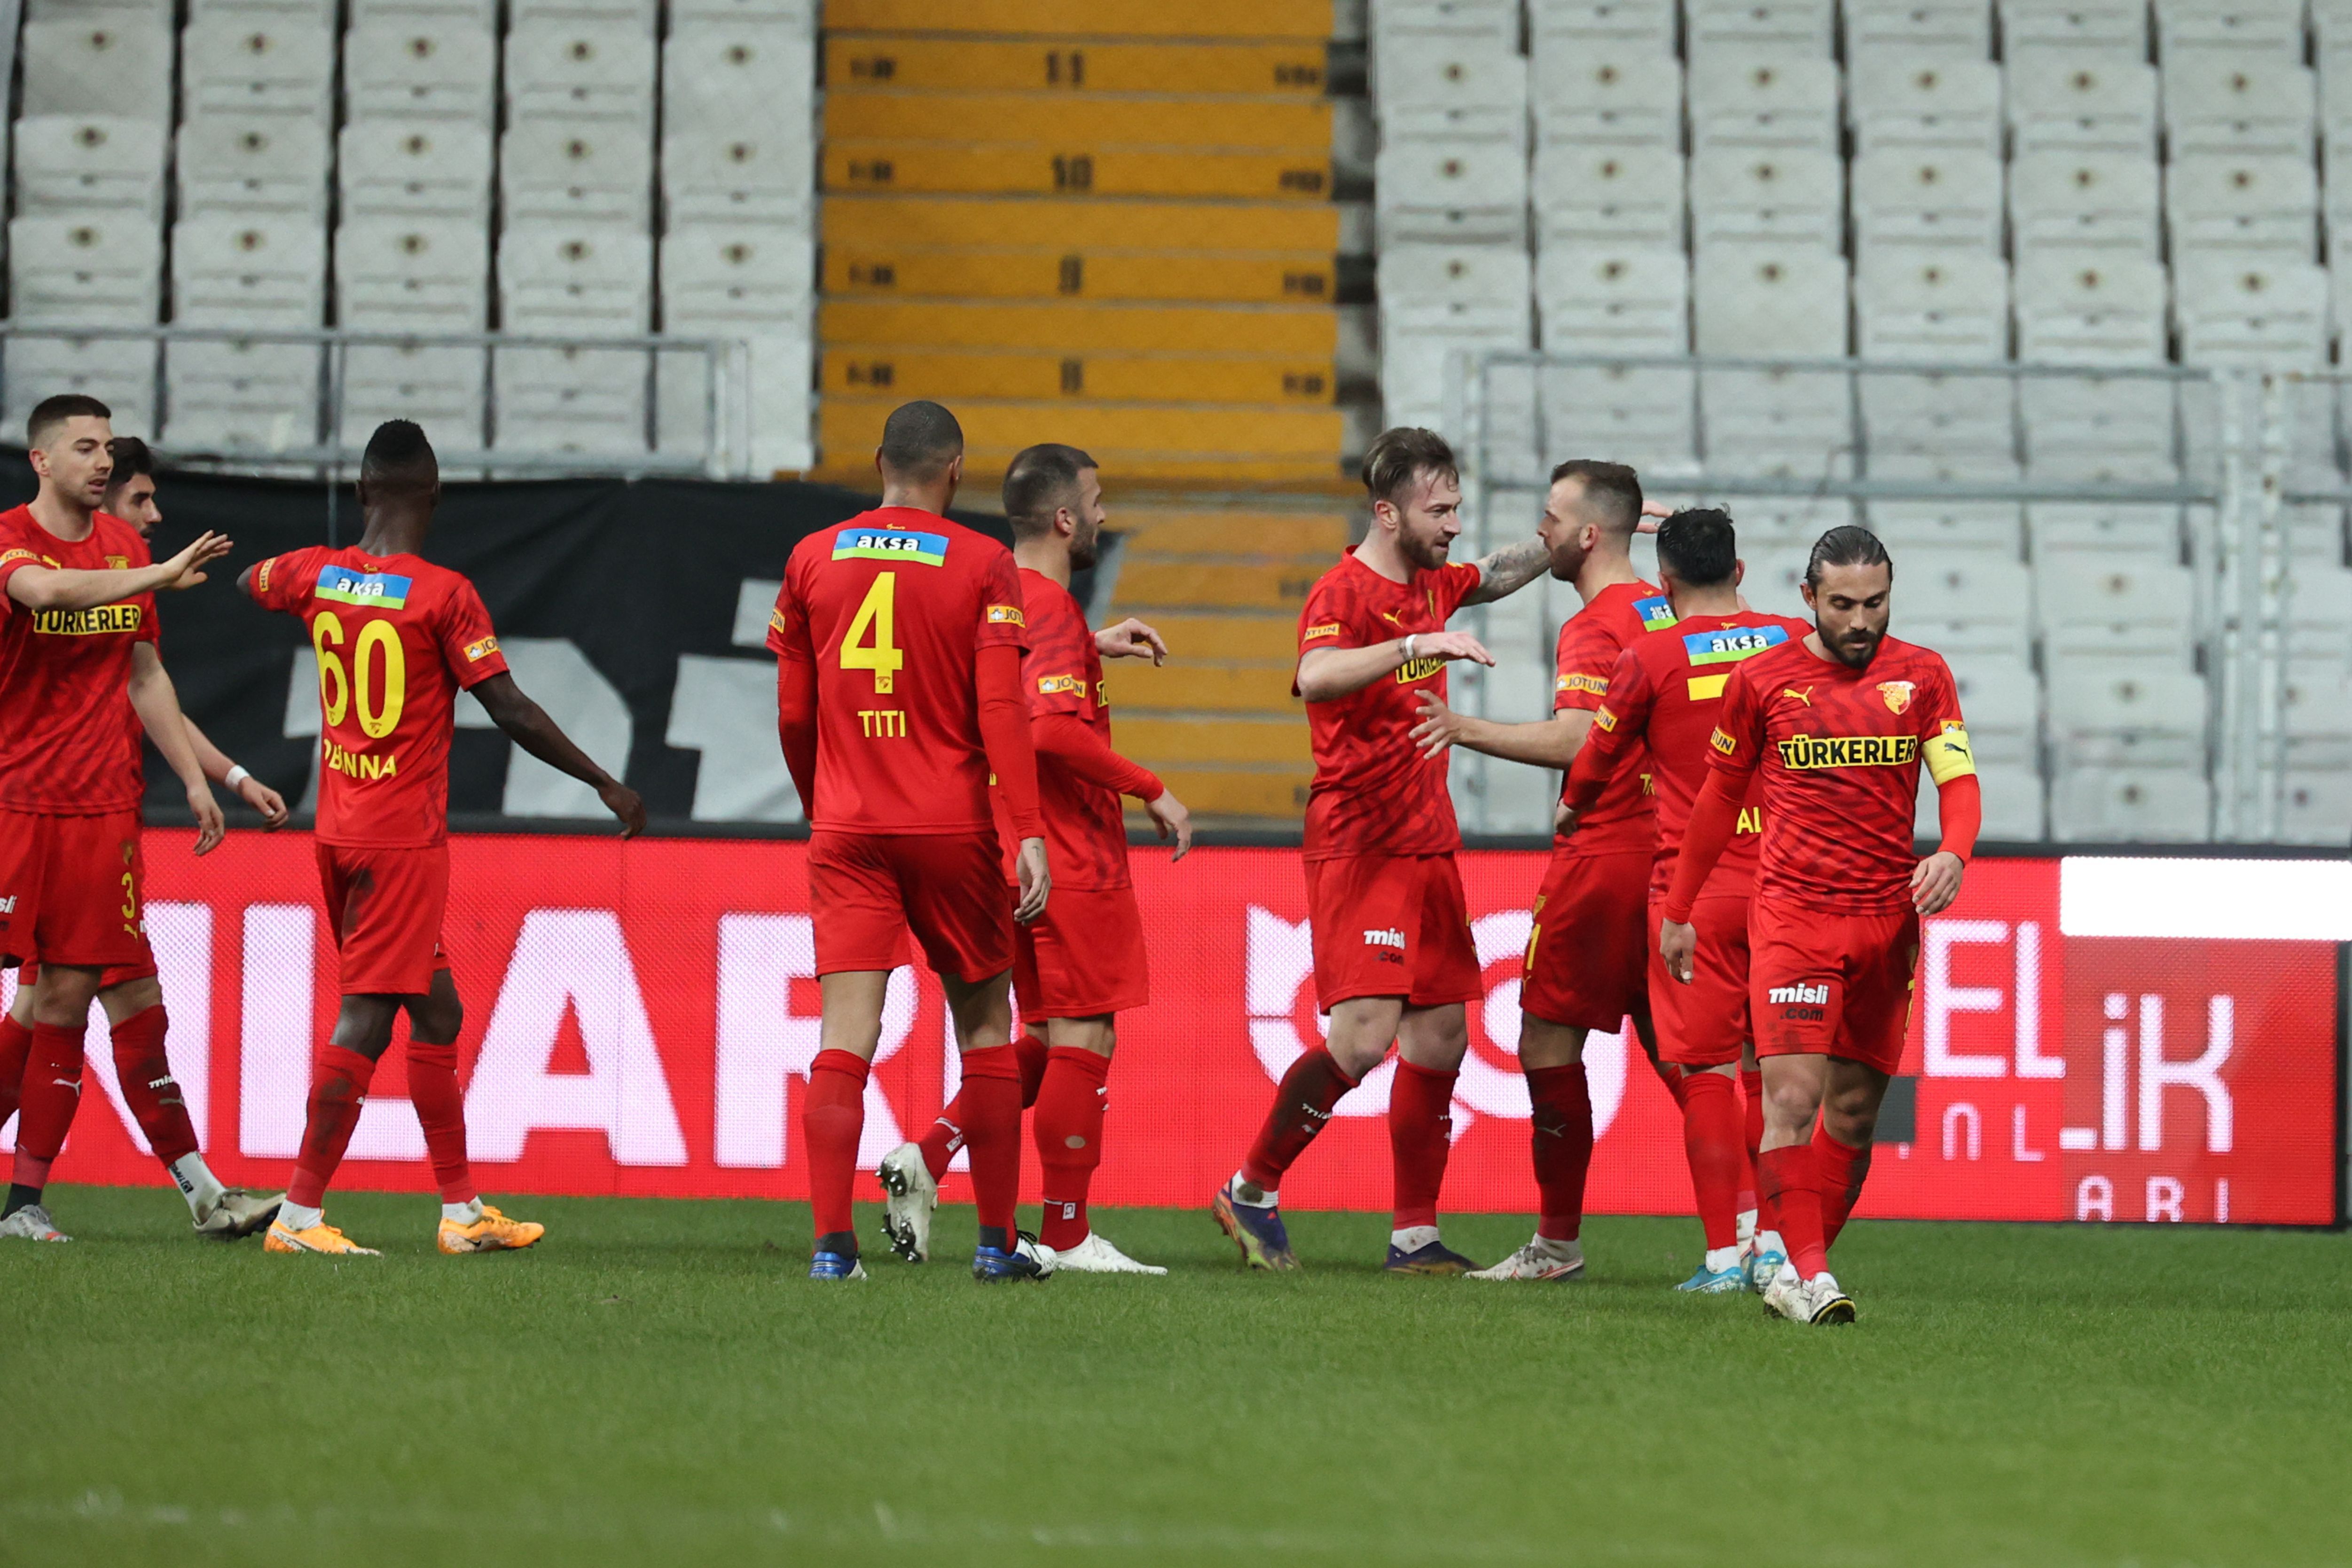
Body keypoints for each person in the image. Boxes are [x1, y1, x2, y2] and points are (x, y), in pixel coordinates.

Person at [240, 420, 645, 1255]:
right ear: (436, 496)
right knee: (365, 1018)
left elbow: (253, 578)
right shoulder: (444, 594)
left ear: (361, 491)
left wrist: (314, 578)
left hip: (338, 832)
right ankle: (299, 1217)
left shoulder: (315, 573)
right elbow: (509, 708)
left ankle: (462, 1214)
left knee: (437, 1010)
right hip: (401, 842)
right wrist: (603, 780)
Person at [1211, 426, 1554, 1274]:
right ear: (1387, 512)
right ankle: (1250, 1188)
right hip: (1361, 841)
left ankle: (1414, 1236)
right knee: (1364, 1041)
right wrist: (1412, 645)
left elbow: (1494, 574)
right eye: (1440, 511)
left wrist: (1583, 538)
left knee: (1440, 1039)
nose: (1454, 525)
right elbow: (1316, 675)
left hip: (1427, 841)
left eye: (1457, 508)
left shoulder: (1435, 579)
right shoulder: (1343, 591)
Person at [1659, 525, 1981, 1325]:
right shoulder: (1763, 679)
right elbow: (1717, 801)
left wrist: (1955, 852)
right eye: (1842, 605)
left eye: (1875, 603)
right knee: (1793, 1100)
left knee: (1854, 1115)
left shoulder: (1923, 676)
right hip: (1794, 918)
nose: (1860, 620)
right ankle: (1810, 1273)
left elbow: (1958, 778)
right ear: (1808, 598)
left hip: (1888, 923)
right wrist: (1679, 909)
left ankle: (1797, 1273)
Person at [881, 444, 1191, 1275]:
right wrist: (1151, 787)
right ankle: (1067, 1234)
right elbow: (1049, 730)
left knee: (1048, 1037)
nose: (1102, 514)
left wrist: (1090, 645)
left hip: (1002, 847)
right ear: (1063, 518)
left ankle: (928, 1156)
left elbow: (1007, 692)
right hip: (1067, 849)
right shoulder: (1046, 604)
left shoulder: (998, 600)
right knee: (1086, 1035)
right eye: (1095, 500)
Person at [768, 400, 1053, 1284]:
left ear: (878, 462)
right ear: (955, 470)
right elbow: (1001, 708)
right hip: (950, 826)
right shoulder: (983, 561)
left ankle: (831, 1249)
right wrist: (1028, 830)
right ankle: (998, 1245)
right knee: (986, 1029)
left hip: (848, 827)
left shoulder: (812, 556)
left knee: (845, 1034)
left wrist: (821, 801)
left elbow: (793, 713)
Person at [0, 435, 290, 1239]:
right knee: (43, 1005)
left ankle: (193, 1195)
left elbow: (143, 680)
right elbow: (48, 596)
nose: (153, 517)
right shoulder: (26, 553)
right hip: (26, 813)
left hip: (103, 824)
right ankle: (176, 1196)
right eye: (139, 498)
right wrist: (156, 575)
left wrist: (218, 779)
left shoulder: (128, 566)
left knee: (111, 1002)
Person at [1407, 460, 1673, 1283]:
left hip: (1605, 856)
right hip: (1673, 857)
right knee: (1688, 1057)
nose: (1541, 531)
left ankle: (1557, 1245)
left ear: (1589, 535)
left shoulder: (1596, 625)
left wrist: (1462, 727)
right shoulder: (1666, 610)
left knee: (1547, 1040)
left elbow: (1577, 740)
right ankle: (1751, 1237)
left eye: (1552, 517)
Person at [1557, 508, 1810, 1293]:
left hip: (1697, 895)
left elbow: (1597, 753)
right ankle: (1774, 1245)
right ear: (1740, 572)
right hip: (1790, 886)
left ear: (1663, 584)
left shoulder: (1649, 655)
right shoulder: (1796, 639)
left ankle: (1723, 1258)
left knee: (1704, 1071)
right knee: (1770, 1070)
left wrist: (1573, 805)